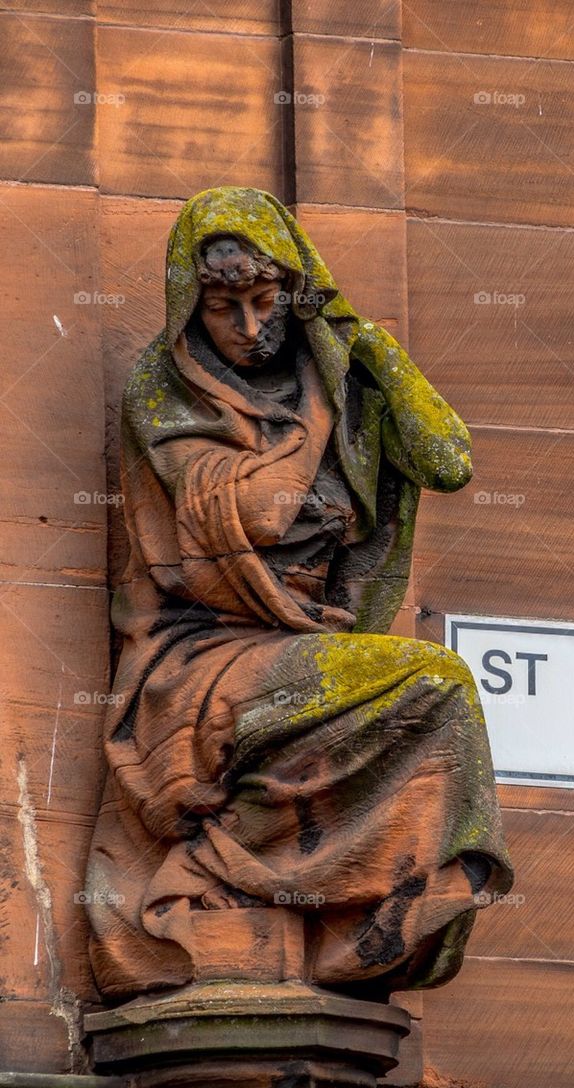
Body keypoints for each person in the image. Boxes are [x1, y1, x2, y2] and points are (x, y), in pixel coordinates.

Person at [84, 186, 512, 1001]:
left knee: (435, 701)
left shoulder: (338, 379)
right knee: (437, 682)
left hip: (305, 642)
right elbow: (262, 514)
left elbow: (449, 460)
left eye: (265, 300)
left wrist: (364, 343)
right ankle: (210, 866)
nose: (249, 327)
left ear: (296, 290)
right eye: (223, 308)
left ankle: (358, 925)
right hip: (201, 660)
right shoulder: (164, 391)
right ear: (191, 308)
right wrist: (320, 405)